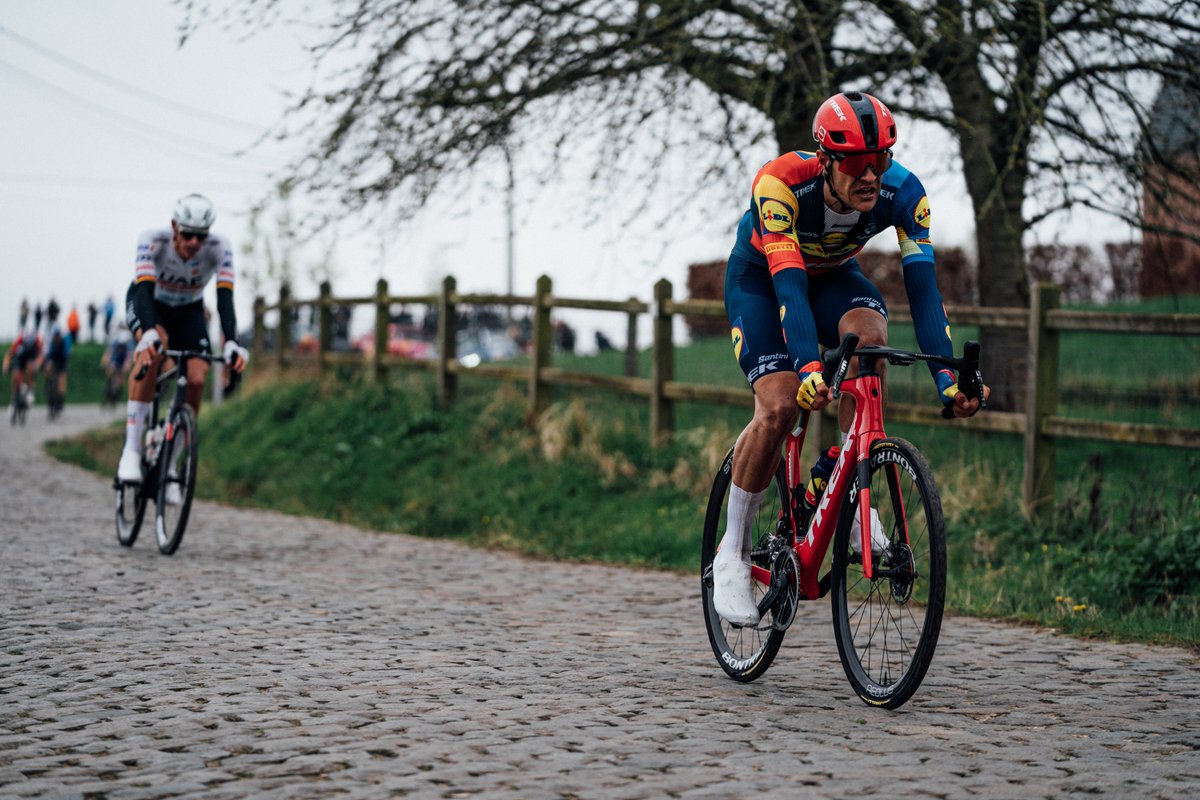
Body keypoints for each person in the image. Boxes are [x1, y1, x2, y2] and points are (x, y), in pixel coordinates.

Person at [713, 91, 989, 626]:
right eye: (859, 163)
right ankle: (732, 553)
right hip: (764, 285)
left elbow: (925, 294)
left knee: (871, 336)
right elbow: (789, 291)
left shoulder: (904, 193)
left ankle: (854, 488)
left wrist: (948, 381)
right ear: (826, 160)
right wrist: (809, 370)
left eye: (881, 158)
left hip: (833, 279)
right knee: (778, 407)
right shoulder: (781, 185)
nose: (872, 175)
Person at [117, 193, 249, 488]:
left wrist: (231, 342)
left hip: (189, 310)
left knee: (198, 377)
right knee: (154, 349)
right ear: (174, 227)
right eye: (188, 234)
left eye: (201, 236)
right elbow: (143, 291)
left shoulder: (220, 248)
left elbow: (225, 299)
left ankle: (171, 465)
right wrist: (149, 332)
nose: (194, 243)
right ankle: (132, 449)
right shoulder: (152, 240)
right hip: (150, 302)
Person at [3, 303, 42, 415]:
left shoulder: (37, 341)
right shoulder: (19, 340)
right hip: (21, 358)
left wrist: (37, 365)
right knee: (15, 374)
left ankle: (30, 390)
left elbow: (40, 356)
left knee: (31, 368)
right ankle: (14, 398)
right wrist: (6, 366)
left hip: (32, 358)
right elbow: (9, 355)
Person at [42, 301, 71, 417]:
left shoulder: (56, 326)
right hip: (52, 353)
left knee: (61, 376)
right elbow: (46, 344)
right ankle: (53, 395)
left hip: (60, 353)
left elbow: (60, 342)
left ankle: (60, 399)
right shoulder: (49, 327)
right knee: (52, 374)